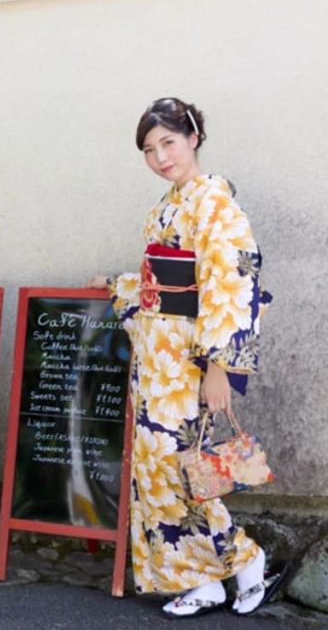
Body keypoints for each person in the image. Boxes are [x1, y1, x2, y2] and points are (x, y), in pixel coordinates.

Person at [87, 97, 283, 618]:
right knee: (158, 465)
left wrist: (221, 364)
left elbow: (232, 280)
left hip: (191, 357)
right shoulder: (166, 205)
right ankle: (205, 578)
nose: (160, 157)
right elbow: (159, 284)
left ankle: (243, 558)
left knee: (179, 466)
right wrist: (119, 286)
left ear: (193, 137)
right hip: (158, 356)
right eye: (150, 150)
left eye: (168, 143)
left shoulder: (214, 202)